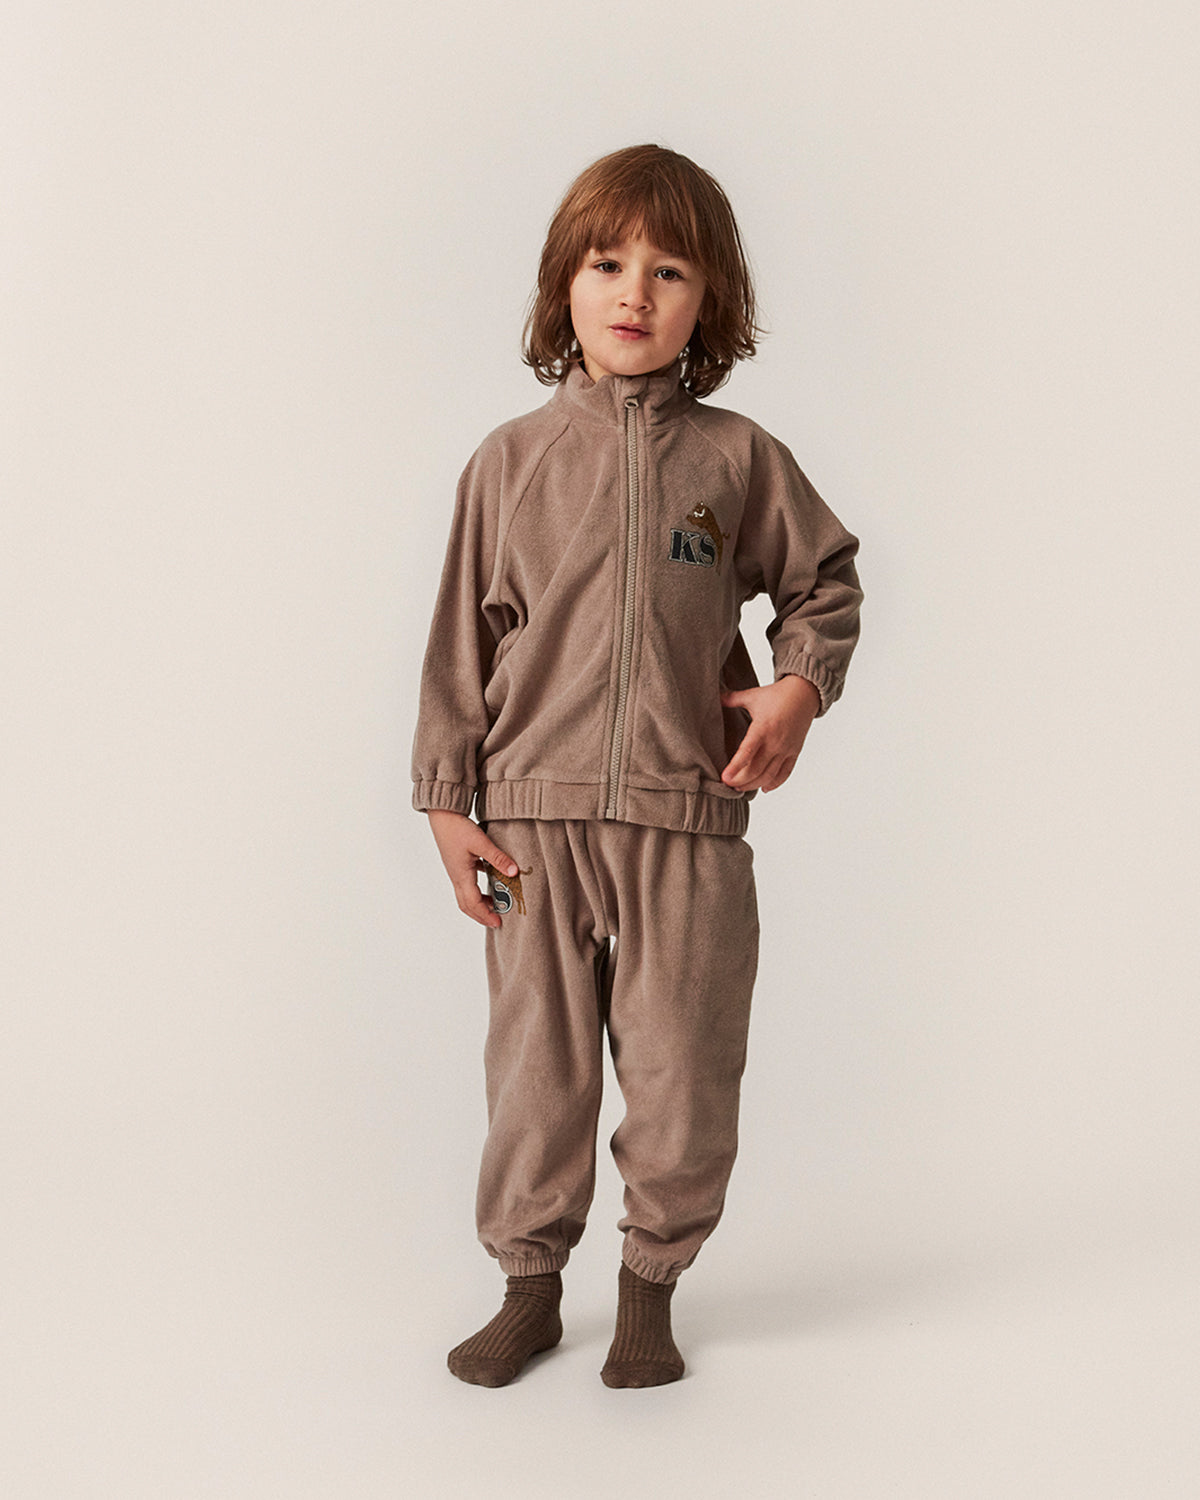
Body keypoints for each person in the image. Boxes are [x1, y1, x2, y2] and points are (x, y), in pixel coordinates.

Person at [411, 144, 862, 1388]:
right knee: (536, 1079)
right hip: (533, 829)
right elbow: (459, 646)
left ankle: (649, 1291)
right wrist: (446, 801)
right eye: (608, 264)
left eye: (670, 272)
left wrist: (799, 687)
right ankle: (529, 1289)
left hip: (687, 824)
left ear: (708, 302)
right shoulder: (509, 463)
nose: (634, 292)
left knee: (684, 1075)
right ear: (564, 283)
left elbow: (824, 582)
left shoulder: (736, 459)